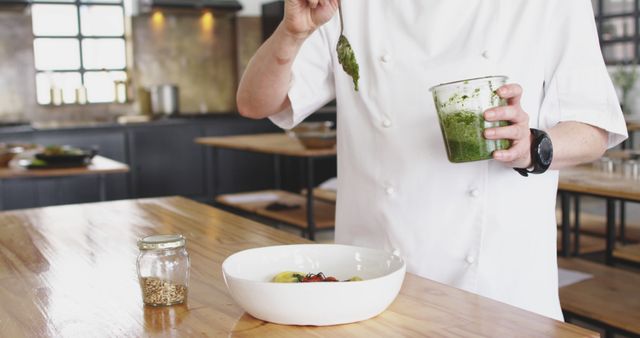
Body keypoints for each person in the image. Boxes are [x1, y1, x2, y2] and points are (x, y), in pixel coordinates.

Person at [236, 0, 628, 320]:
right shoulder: (349, 6)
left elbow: (594, 129)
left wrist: (534, 145)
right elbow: (254, 103)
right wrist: (291, 34)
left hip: (499, 288)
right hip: (372, 287)